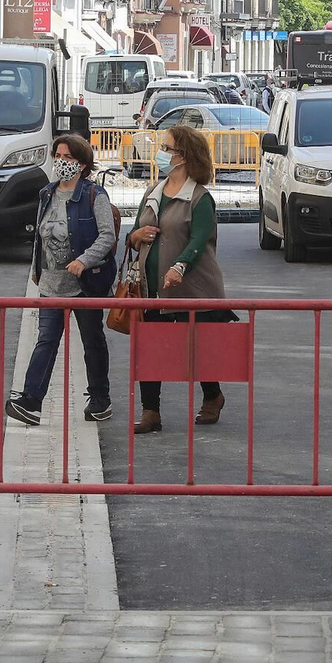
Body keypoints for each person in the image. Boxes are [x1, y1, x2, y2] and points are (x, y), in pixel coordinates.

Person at [6, 135, 119, 426]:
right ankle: (31, 401)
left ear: (81, 164)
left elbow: (107, 236)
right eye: (58, 155)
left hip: (85, 286)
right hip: (51, 285)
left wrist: (84, 260)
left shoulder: (95, 195)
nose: (60, 162)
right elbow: (39, 236)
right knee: (46, 341)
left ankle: (99, 399)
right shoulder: (47, 194)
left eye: (67, 157)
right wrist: (36, 268)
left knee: (92, 341)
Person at [128, 124, 231, 434]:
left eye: (167, 148)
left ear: (183, 157)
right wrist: (136, 236)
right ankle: (151, 412)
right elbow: (133, 234)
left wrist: (179, 267)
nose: (161, 153)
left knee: (197, 349)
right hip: (152, 289)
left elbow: (199, 240)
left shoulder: (200, 199)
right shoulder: (152, 192)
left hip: (193, 289)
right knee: (151, 348)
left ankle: (213, 396)